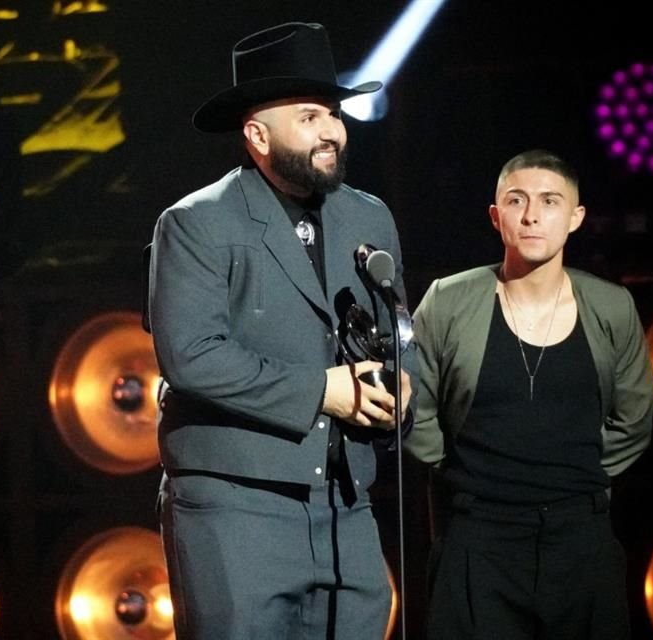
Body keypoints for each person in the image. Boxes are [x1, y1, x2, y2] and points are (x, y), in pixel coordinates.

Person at [147, 21, 418, 640]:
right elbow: (191, 356)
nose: (331, 131)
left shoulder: (368, 216)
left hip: (346, 506)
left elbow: (400, 331)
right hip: (236, 508)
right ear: (257, 136)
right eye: (309, 117)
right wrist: (324, 390)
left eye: (334, 115)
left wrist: (404, 390)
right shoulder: (196, 223)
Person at [405, 148, 653, 639]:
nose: (533, 214)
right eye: (517, 200)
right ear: (497, 217)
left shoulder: (611, 306)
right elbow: (416, 407)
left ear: (576, 217)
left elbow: (635, 418)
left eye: (549, 201)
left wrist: (578, 476)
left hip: (580, 536)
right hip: (478, 536)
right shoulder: (449, 299)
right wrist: (461, 472)